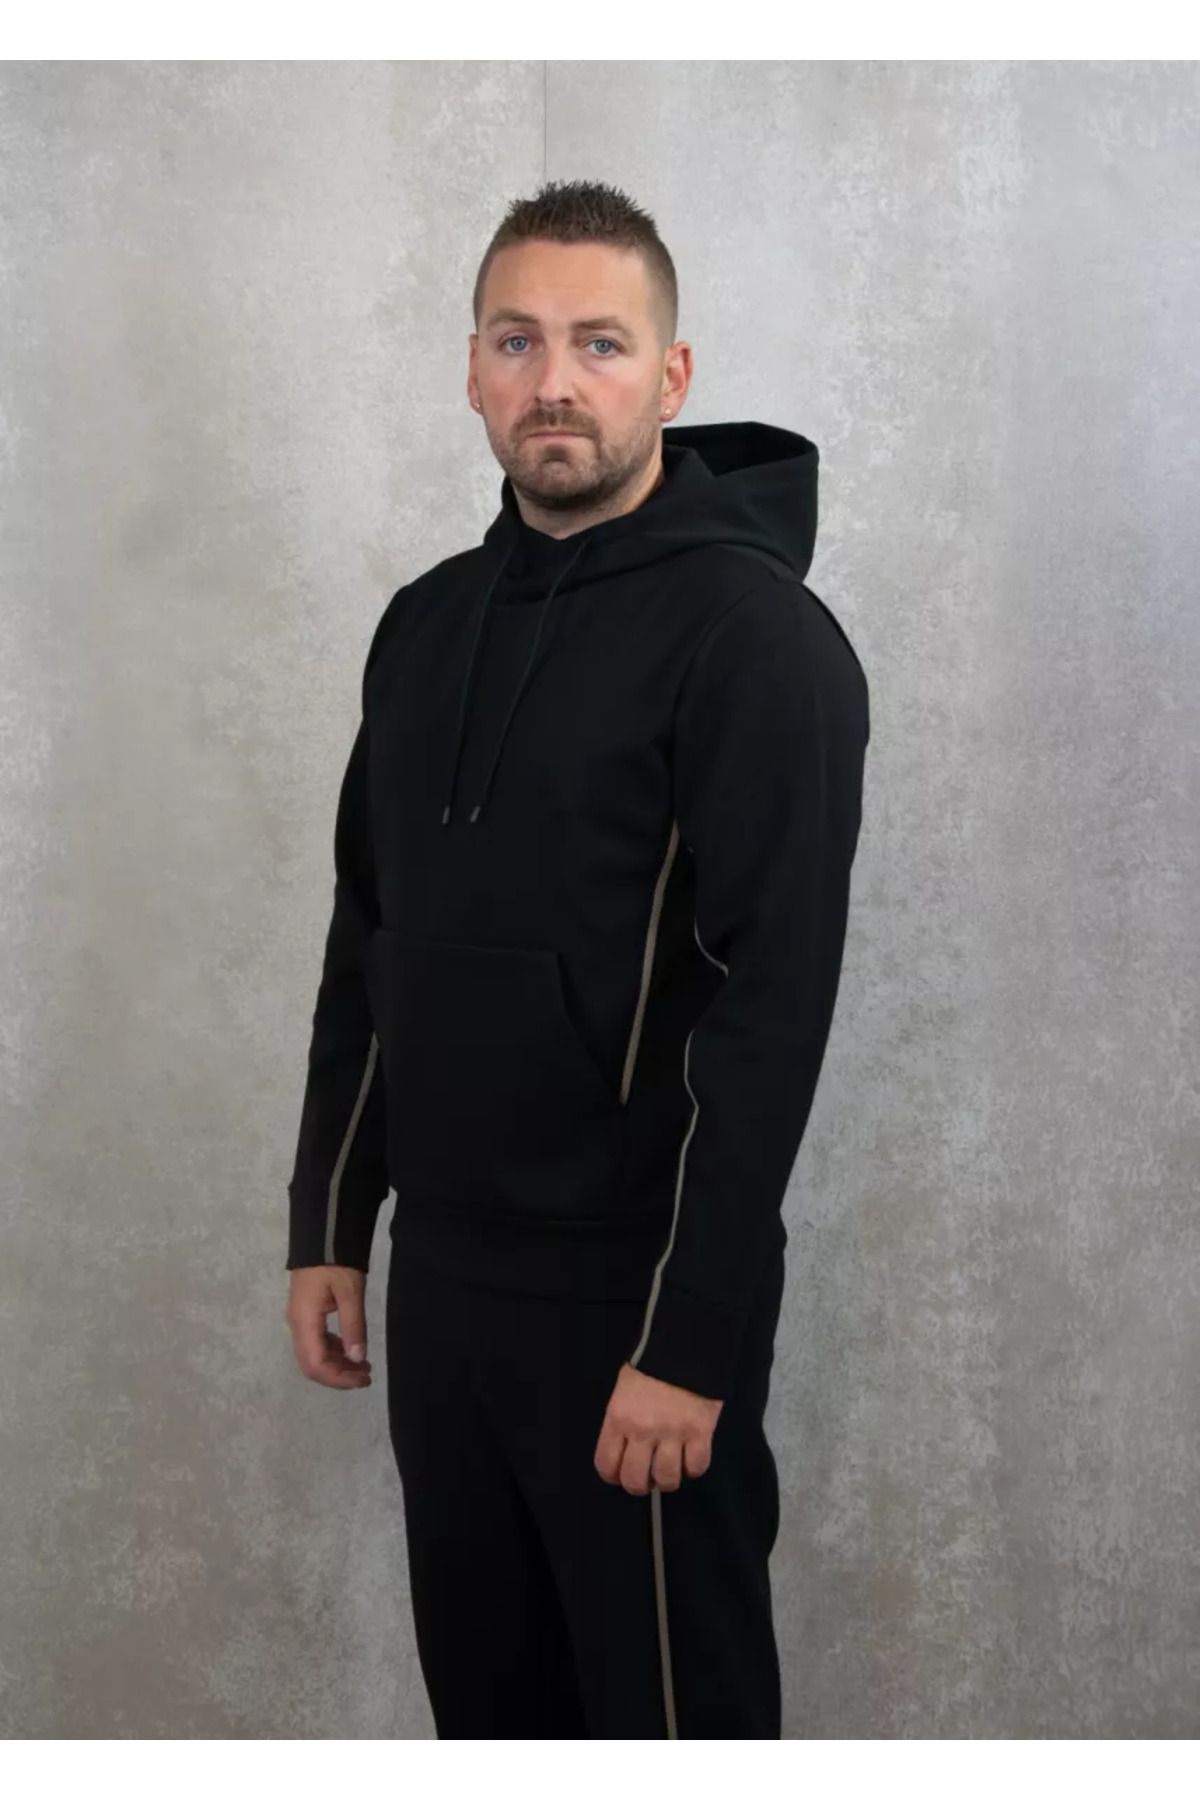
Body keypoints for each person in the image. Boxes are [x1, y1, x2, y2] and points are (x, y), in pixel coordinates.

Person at [283, 178, 870, 1739]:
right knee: (493, 1722)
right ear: (473, 369)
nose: (556, 381)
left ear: (669, 378)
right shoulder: (424, 628)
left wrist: (692, 1337)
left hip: (631, 1295)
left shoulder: (756, 641)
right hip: (443, 1287)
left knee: (671, 1732)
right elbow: (368, 934)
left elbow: (771, 1016)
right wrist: (332, 1217)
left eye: (600, 344)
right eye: (518, 340)